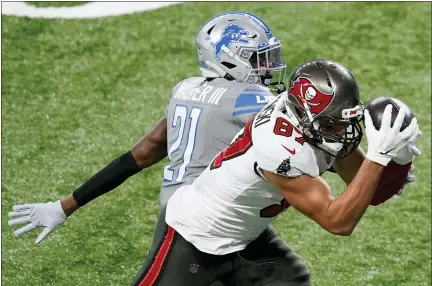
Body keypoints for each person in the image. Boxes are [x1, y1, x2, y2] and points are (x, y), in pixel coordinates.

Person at [8, 11, 292, 285]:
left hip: (205, 218)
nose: (266, 67)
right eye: (257, 60)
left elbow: (142, 153)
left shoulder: (185, 90)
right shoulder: (249, 98)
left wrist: (65, 206)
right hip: (200, 225)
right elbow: (293, 128)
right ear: (229, 61)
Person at [130, 59, 422, 286]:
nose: (343, 132)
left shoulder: (314, 123)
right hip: (193, 236)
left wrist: (400, 158)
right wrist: (378, 157)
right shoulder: (278, 146)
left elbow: (370, 190)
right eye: (333, 124)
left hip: (246, 237)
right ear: (304, 116)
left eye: (345, 121)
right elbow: (337, 222)